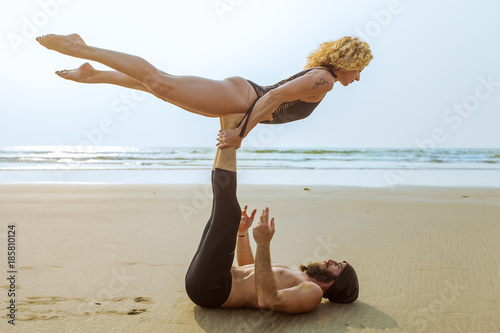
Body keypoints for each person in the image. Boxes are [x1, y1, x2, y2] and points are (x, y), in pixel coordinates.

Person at [36, 34, 372, 149]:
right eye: (359, 69)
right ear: (348, 61)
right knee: (159, 81)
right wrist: (241, 134)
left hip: (239, 98)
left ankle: (93, 74)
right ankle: (83, 49)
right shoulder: (324, 80)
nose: (358, 78)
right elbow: (272, 99)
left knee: (161, 88)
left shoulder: (321, 77)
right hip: (242, 98)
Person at [184, 114, 359, 313]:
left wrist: (264, 243)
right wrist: (243, 234)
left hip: (213, 290)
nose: (332, 260)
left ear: (340, 282)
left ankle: (230, 125)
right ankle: (228, 126)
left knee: (227, 211)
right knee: (222, 209)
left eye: (339, 266)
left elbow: (268, 301)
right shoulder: (296, 274)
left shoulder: (313, 292)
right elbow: (252, 268)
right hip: (207, 280)